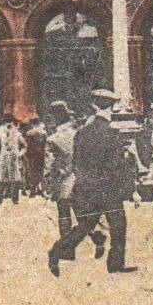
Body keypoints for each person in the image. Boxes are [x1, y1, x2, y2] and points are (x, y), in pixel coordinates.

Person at [47, 90, 138, 275]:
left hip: (87, 187)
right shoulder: (111, 133)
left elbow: (77, 162)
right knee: (118, 225)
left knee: (85, 226)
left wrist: (82, 182)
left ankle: (56, 251)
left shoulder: (82, 132)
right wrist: (130, 190)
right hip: (108, 189)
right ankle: (115, 264)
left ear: (94, 107)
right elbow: (117, 166)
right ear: (111, 108)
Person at [43, 102, 105, 262]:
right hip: (81, 178)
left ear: (55, 117)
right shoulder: (80, 133)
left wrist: (47, 182)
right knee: (82, 214)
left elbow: (49, 165)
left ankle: (66, 250)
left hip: (64, 180)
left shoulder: (53, 139)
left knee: (64, 214)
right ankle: (97, 235)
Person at [0, 113, 27, 205]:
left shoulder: (17, 133)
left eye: (10, 122)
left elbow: (25, 146)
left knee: (15, 178)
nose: (8, 124)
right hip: (3, 157)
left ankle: (15, 198)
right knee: (0, 178)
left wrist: (20, 154)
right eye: (6, 122)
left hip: (14, 158)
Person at [22, 118, 47, 198]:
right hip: (41, 154)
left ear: (31, 124)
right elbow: (45, 145)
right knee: (40, 172)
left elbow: (26, 145)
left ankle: (33, 190)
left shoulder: (28, 133)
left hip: (31, 155)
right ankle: (41, 189)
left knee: (32, 172)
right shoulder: (43, 133)